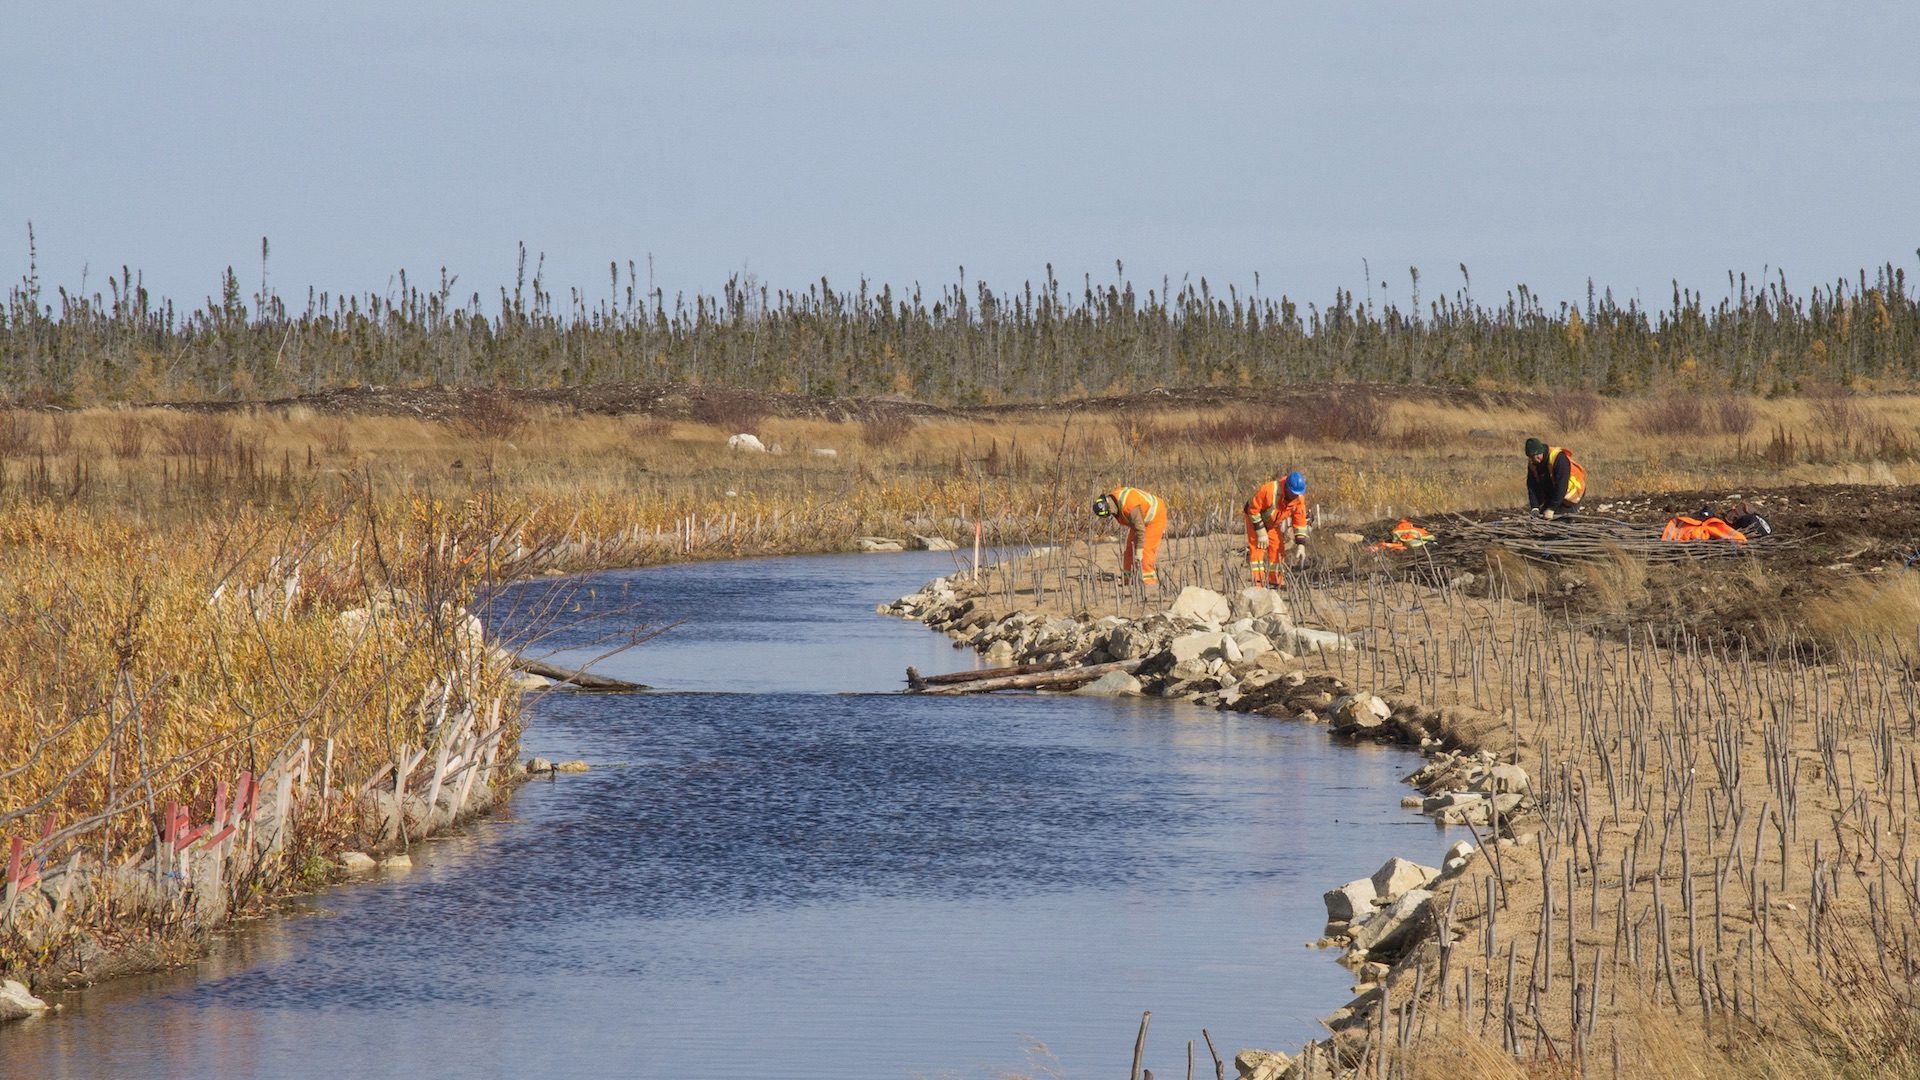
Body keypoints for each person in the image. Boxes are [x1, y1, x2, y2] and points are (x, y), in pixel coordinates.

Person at [1242, 471, 1310, 586]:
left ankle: (1275, 579)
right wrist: (1261, 532)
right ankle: (1258, 583)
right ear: (1287, 488)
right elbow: (1253, 510)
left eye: (1297, 494)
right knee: (1258, 548)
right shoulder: (1269, 490)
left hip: (1272, 523)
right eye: (1293, 493)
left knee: (1277, 548)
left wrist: (1301, 545)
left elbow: (1299, 522)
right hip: (1254, 518)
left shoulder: (1298, 499)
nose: (1295, 496)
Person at [1093, 486, 1166, 585]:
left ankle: (1148, 581)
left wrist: (1139, 551)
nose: (1112, 515)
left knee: (1145, 551)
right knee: (1129, 552)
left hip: (1155, 518)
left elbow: (1140, 530)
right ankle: (1128, 579)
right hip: (1139, 521)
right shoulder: (1115, 500)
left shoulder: (1129, 506)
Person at [1525, 438, 1586, 518]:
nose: (1537, 460)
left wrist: (1551, 508)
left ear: (1542, 451)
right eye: (1533, 458)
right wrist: (1535, 507)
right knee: (1543, 517)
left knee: (1561, 519)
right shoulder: (1533, 464)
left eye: (1538, 456)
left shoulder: (1559, 458)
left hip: (1571, 492)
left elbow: (1561, 486)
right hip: (1554, 492)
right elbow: (1532, 486)